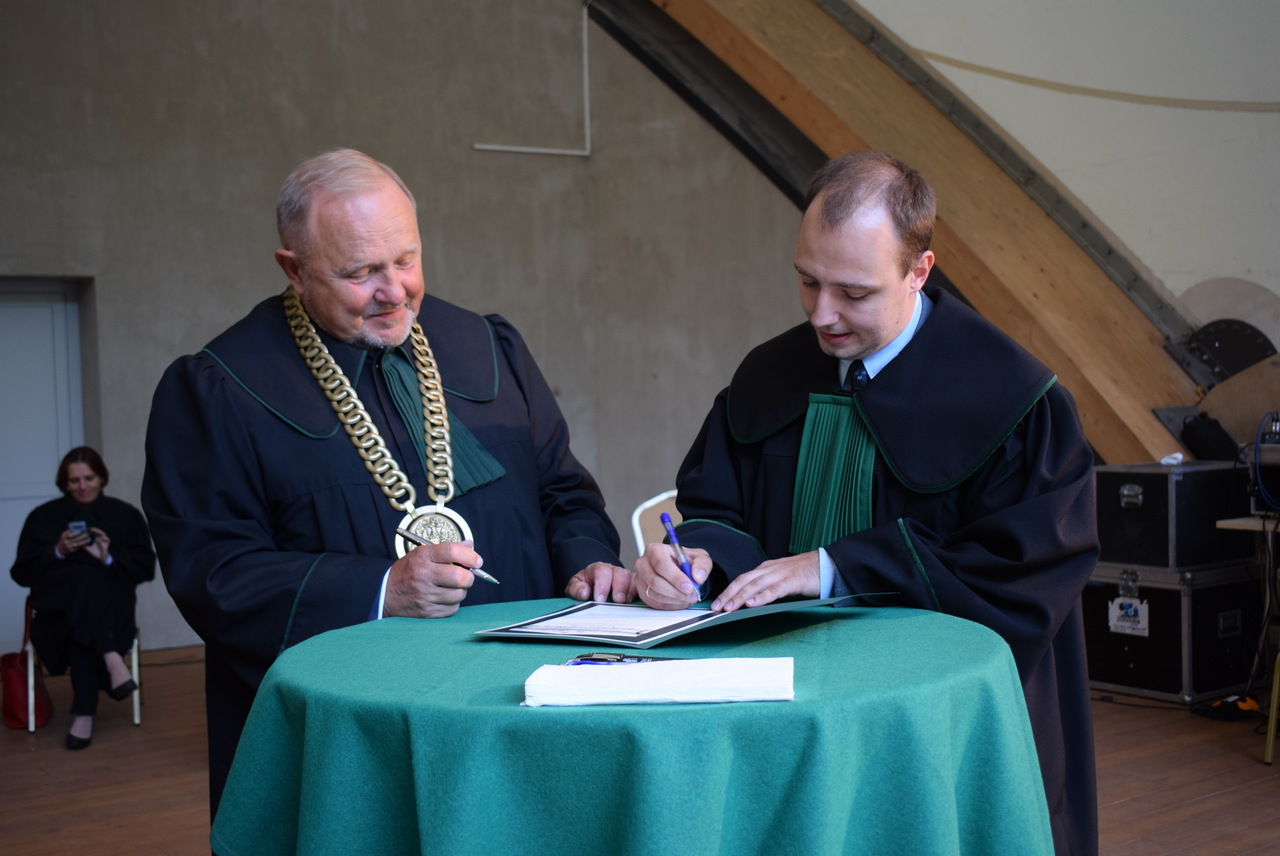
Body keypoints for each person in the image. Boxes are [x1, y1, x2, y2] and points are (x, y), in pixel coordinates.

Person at [634, 151, 1099, 856]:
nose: (823, 315)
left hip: (935, 728)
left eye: (853, 292)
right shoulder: (768, 376)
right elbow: (714, 508)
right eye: (807, 280)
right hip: (785, 719)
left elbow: (1020, 577)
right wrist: (695, 561)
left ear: (919, 270)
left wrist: (830, 567)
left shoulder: (1016, 403)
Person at [142, 148, 632, 816]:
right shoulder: (219, 388)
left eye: (406, 259)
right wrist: (381, 588)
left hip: (521, 703)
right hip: (358, 735)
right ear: (293, 269)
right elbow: (214, 571)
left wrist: (588, 562)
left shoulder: (486, 345)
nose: (395, 291)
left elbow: (563, 492)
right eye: (360, 272)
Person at [10, 446, 155, 750]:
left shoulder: (125, 515)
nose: (82, 486)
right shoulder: (42, 517)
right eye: (74, 480)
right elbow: (22, 574)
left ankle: (84, 715)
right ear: (64, 482)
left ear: (101, 477)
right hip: (56, 615)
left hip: (109, 615)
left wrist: (108, 558)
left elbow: (144, 569)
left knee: (84, 619)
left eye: (88, 478)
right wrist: (57, 551)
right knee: (83, 582)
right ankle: (112, 659)